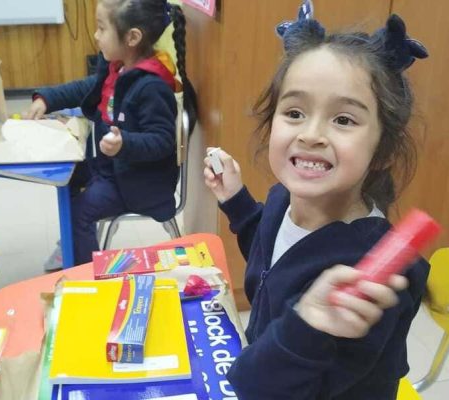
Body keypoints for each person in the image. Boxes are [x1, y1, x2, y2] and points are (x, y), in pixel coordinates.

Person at [203, 1, 429, 399]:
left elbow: (265, 390)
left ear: (382, 150)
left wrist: (305, 325)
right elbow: (273, 260)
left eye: (343, 119)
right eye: (294, 112)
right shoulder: (283, 200)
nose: (310, 134)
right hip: (267, 357)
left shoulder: (367, 275)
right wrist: (237, 201)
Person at [25, 0, 197, 269]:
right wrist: (47, 99)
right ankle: (74, 245)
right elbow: (85, 88)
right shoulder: (117, 68)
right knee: (64, 180)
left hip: (140, 184)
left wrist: (124, 144)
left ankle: (85, 273)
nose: (96, 36)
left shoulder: (151, 87)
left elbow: (163, 140)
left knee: (79, 212)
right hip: (113, 169)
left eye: (102, 28)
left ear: (132, 37)